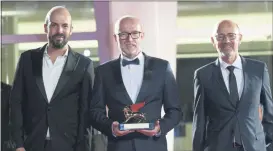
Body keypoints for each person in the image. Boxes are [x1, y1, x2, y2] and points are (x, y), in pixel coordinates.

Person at [89, 16, 182, 151]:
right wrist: (111, 128)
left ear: (142, 35)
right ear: (116, 38)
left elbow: (175, 111)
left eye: (134, 33)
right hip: (118, 147)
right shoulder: (103, 72)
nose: (129, 39)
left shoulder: (162, 67)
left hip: (153, 146)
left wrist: (160, 127)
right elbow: (95, 112)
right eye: (123, 34)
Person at [10, 6, 94, 151]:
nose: (59, 30)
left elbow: (85, 112)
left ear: (71, 30)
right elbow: (16, 103)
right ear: (45, 28)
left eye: (64, 26)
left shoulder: (84, 65)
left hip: (69, 146)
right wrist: (18, 144)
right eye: (54, 25)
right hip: (31, 144)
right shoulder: (27, 60)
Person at [192, 19, 273, 151]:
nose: (226, 41)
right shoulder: (203, 75)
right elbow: (199, 123)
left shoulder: (258, 70)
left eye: (231, 36)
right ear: (213, 41)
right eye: (220, 36)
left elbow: (270, 115)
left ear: (240, 38)